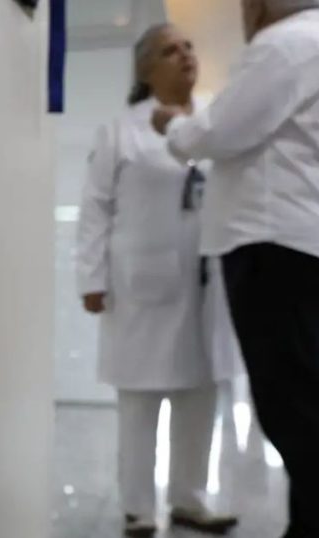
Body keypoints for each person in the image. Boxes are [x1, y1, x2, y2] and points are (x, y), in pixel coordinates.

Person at [152, 1, 319, 536]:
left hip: (276, 247)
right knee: (314, 402)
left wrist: (174, 125)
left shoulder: (285, 45)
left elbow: (215, 136)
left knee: (295, 409)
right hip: (312, 246)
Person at [77, 24, 241, 538]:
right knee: (140, 400)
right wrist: (91, 277)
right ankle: (139, 508)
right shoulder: (120, 131)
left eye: (189, 47)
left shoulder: (215, 119)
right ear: (146, 69)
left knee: (202, 392)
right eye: (170, 51)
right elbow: (95, 207)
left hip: (209, 283)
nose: (185, 55)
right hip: (141, 286)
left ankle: (190, 499)